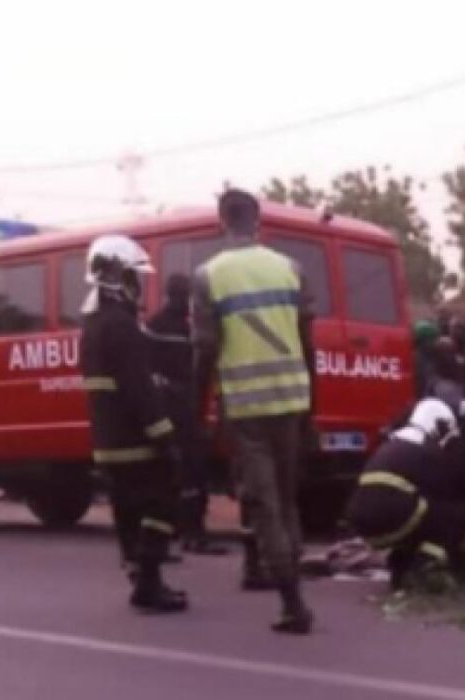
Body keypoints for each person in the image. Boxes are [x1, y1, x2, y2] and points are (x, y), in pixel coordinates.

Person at [192, 189, 314, 634]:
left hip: (246, 409)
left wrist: (196, 412)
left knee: (265, 506)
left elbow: (205, 351)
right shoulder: (291, 269)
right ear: (258, 220)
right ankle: (293, 591)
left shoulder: (208, 276)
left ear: (221, 222)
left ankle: (293, 604)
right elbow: (308, 345)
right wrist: (312, 409)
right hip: (292, 401)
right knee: (286, 500)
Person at [79, 234, 188, 614]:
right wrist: (166, 437)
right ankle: (149, 581)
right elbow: (139, 389)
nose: (138, 284)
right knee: (163, 501)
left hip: (108, 442)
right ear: (118, 277)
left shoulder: (92, 325)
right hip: (135, 440)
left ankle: (138, 576)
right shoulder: (122, 325)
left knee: (126, 510)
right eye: (133, 276)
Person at [346, 399, 465, 588]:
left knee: (422, 514)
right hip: (391, 513)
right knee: (456, 515)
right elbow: (451, 489)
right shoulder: (428, 450)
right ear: (438, 425)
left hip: (362, 523)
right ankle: (426, 566)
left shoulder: (392, 443)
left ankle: (401, 567)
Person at [146, 273, 229, 556]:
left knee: (174, 474)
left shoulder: (156, 326)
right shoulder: (183, 328)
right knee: (192, 473)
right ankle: (192, 533)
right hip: (181, 410)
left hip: (168, 410)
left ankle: (176, 532)